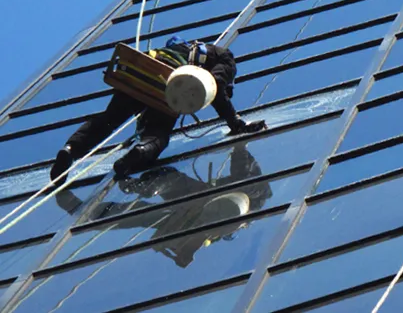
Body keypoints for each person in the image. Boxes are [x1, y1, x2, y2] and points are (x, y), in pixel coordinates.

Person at [49, 36, 266, 184]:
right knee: (159, 132)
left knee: (109, 120)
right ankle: (140, 152)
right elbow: (215, 86)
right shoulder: (226, 58)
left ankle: (71, 149)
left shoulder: (185, 47)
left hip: (140, 73)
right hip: (170, 80)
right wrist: (235, 123)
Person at [55, 142, 271, 267]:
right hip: (194, 197)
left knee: (144, 213)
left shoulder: (238, 205)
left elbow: (200, 232)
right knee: (160, 193)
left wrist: (186, 249)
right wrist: (239, 146)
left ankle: (92, 212)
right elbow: (243, 172)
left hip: (196, 205)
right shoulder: (254, 195)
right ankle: (138, 188)